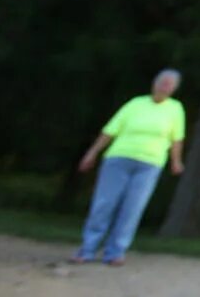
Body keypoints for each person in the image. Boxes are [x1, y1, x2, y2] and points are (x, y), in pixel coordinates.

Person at [71, 69, 187, 266]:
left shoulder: (175, 109)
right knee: (104, 204)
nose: (165, 86)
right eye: (162, 82)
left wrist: (176, 160)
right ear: (154, 83)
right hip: (118, 159)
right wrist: (92, 153)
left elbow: (177, 138)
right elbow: (110, 130)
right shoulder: (135, 104)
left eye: (170, 84)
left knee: (132, 208)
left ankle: (116, 252)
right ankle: (87, 249)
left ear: (174, 89)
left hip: (150, 163)